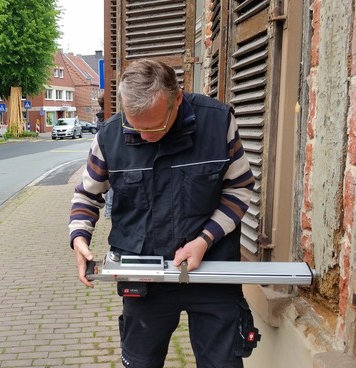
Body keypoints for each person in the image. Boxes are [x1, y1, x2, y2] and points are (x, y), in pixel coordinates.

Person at [69, 59, 256, 368]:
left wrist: (204, 239)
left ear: (177, 100)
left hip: (211, 270)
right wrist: (79, 239)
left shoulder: (218, 123)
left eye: (154, 127)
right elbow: (88, 195)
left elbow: (239, 189)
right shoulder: (110, 136)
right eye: (135, 126)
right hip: (143, 276)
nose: (143, 137)